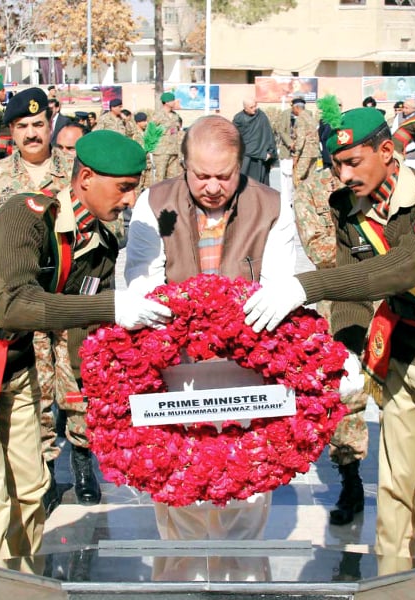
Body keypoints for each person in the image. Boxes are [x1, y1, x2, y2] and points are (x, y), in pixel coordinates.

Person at [243, 108, 415, 600]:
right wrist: (348, 351)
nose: (343, 176)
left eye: (353, 162)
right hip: (401, 353)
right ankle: (391, 581)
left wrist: (300, 286)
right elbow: (352, 290)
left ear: (388, 152)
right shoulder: (351, 205)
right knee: (394, 483)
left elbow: (393, 273)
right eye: (337, 164)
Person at [0, 129, 171, 600]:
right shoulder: (26, 216)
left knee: (33, 488)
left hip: (14, 362)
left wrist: (99, 390)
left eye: (136, 186)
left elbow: (79, 317)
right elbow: (16, 304)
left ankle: (25, 583)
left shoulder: (99, 243)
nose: (131, 199)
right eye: (124, 187)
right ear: (86, 179)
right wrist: (115, 307)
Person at [125, 114, 297, 541]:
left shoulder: (272, 206)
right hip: (176, 370)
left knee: (247, 490)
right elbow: (143, 280)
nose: (214, 186)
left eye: (225, 175)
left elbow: (276, 285)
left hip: (246, 370)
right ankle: (182, 577)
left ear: (240, 167)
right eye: (202, 176)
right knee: (178, 486)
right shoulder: (154, 201)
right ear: (184, 166)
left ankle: (241, 579)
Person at [0, 88, 105, 515]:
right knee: (35, 390)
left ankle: (82, 460)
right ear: (12, 132)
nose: (32, 133)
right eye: (22, 127)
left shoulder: (76, 173)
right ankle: (44, 473)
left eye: (38, 125)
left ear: (50, 124)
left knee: (78, 382)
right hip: (23, 305)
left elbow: (100, 225)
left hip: (71, 299)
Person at [292, 166, 368, 526]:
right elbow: (321, 250)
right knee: (345, 396)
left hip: (394, 302)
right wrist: (379, 254)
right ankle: (351, 483)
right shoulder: (312, 189)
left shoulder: (385, 178)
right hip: (340, 304)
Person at [232, 97, 276, 185]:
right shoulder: (239, 118)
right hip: (246, 156)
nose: (254, 109)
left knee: (260, 183)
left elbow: (268, 134)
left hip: (261, 156)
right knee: (244, 182)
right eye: (251, 107)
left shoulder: (261, 116)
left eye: (255, 106)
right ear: (245, 108)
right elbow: (234, 136)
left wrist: (271, 152)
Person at [151, 92, 182, 182]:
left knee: (173, 178)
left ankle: (170, 196)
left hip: (174, 150)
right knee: (159, 178)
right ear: (167, 102)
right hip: (161, 151)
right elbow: (150, 131)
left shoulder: (175, 116)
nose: (174, 102)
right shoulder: (157, 115)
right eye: (172, 100)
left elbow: (178, 131)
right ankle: (157, 195)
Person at [391, 98, 415, 170]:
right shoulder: (399, 116)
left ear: (413, 109)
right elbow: (394, 132)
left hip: (414, 156)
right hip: (399, 153)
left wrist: (407, 148)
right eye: (403, 107)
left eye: (406, 108)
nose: (404, 110)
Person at [291, 97, 320, 188]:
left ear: (297, 108)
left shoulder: (300, 118)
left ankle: (300, 200)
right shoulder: (310, 118)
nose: (292, 109)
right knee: (311, 179)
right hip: (314, 153)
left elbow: (301, 138)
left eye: (293, 107)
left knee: (297, 178)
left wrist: (296, 154)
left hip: (305, 153)